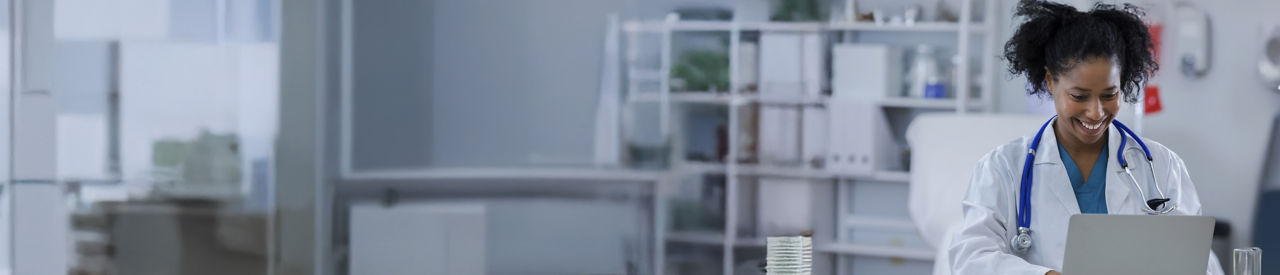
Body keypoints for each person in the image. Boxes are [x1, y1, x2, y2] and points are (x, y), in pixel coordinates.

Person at [948, 1, 1224, 274]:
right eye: (1079, 96)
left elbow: (1199, 260)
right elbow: (971, 257)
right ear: (1050, 81)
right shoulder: (1003, 168)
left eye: (1109, 95)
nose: (1096, 112)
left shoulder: (1162, 165)